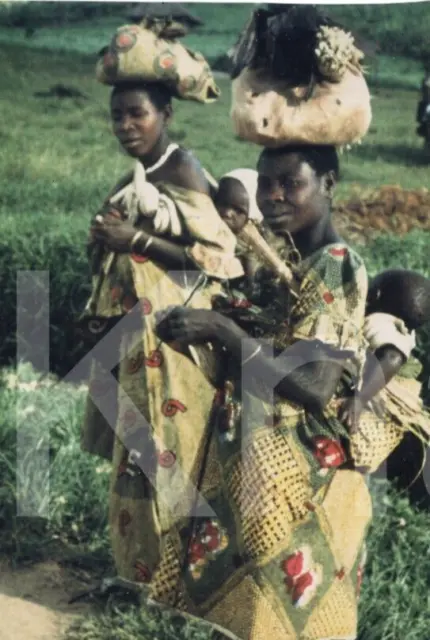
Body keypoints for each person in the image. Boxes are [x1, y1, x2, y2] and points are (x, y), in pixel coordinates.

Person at [156, 144, 371, 640]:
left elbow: (315, 387)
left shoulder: (336, 265)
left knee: (279, 616)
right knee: (254, 612)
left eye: (290, 184)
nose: (273, 196)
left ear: (329, 185)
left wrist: (224, 330)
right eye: (265, 182)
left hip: (299, 473)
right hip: (262, 457)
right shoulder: (293, 260)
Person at [81, 79, 244, 591]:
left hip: (174, 339)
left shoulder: (182, 168)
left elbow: (220, 260)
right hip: (136, 337)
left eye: (137, 114)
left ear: (166, 113)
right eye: (117, 117)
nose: (126, 126)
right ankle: (139, 576)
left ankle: (175, 584)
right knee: (136, 458)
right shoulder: (134, 177)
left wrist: (137, 239)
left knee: (167, 454)